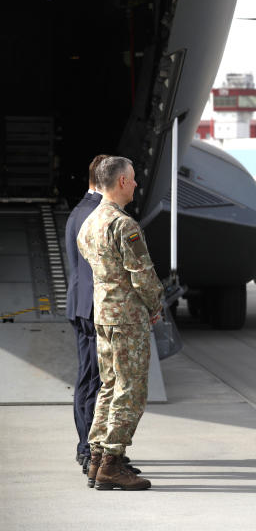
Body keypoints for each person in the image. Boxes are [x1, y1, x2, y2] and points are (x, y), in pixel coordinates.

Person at [77, 156, 162, 491]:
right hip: (128, 318)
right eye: (134, 178)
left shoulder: (90, 222)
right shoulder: (124, 225)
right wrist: (155, 305)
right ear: (122, 182)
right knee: (131, 389)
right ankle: (112, 462)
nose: (137, 184)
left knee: (109, 385)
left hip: (104, 314)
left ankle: (96, 458)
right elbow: (142, 275)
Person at [65, 154, 108, 473]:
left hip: (80, 304)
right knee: (97, 381)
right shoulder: (97, 214)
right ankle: (89, 449)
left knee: (86, 378)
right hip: (95, 308)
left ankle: (86, 446)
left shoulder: (77, 212)